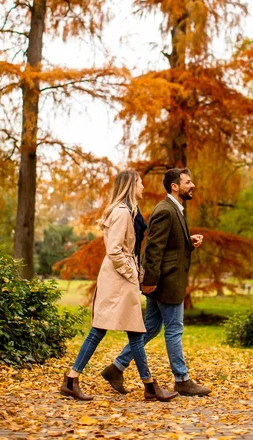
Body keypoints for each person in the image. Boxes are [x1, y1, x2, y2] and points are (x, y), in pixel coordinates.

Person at [60, 170, 178, 403]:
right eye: (140, 183)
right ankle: (73, 380)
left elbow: (129, 252)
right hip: (118, 280)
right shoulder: (122, 213)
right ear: (131, 185)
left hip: (121, 278)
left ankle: (147, 385)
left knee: (132, 331)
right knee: (104, 330)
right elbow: (115, 251)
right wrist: (133, 274)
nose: (143, 186)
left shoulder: (128, 212)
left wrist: (137, 273)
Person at [101, 168, 211, 397]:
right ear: (174, 186)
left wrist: (187, 242)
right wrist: (149, 282)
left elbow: (167, 245)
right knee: (174, 329)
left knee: (150, 328)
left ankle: (116, 367)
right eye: (188, 182)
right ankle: (182, 379)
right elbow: (153, 249)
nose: (192, 186)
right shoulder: (165, 210)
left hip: (163, 280)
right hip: (165, 282)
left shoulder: (174, 209)